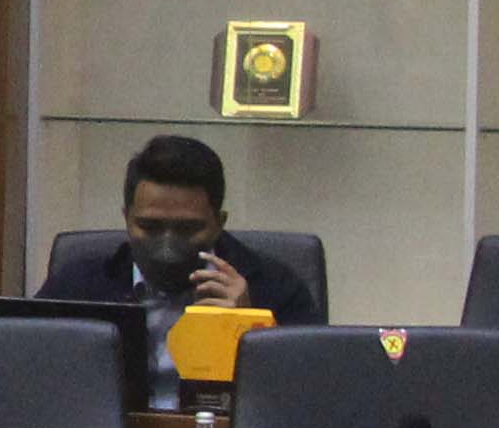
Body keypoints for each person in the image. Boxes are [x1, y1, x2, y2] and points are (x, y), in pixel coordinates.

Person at [31, 133, 322, 404]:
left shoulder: (275, 287)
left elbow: (309, 400)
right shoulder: (78, 286)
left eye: (187, 228)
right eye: (150, 226)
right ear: (126, 218)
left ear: (219, 223)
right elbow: (28, 373)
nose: (167, 245)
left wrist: (250, 331)